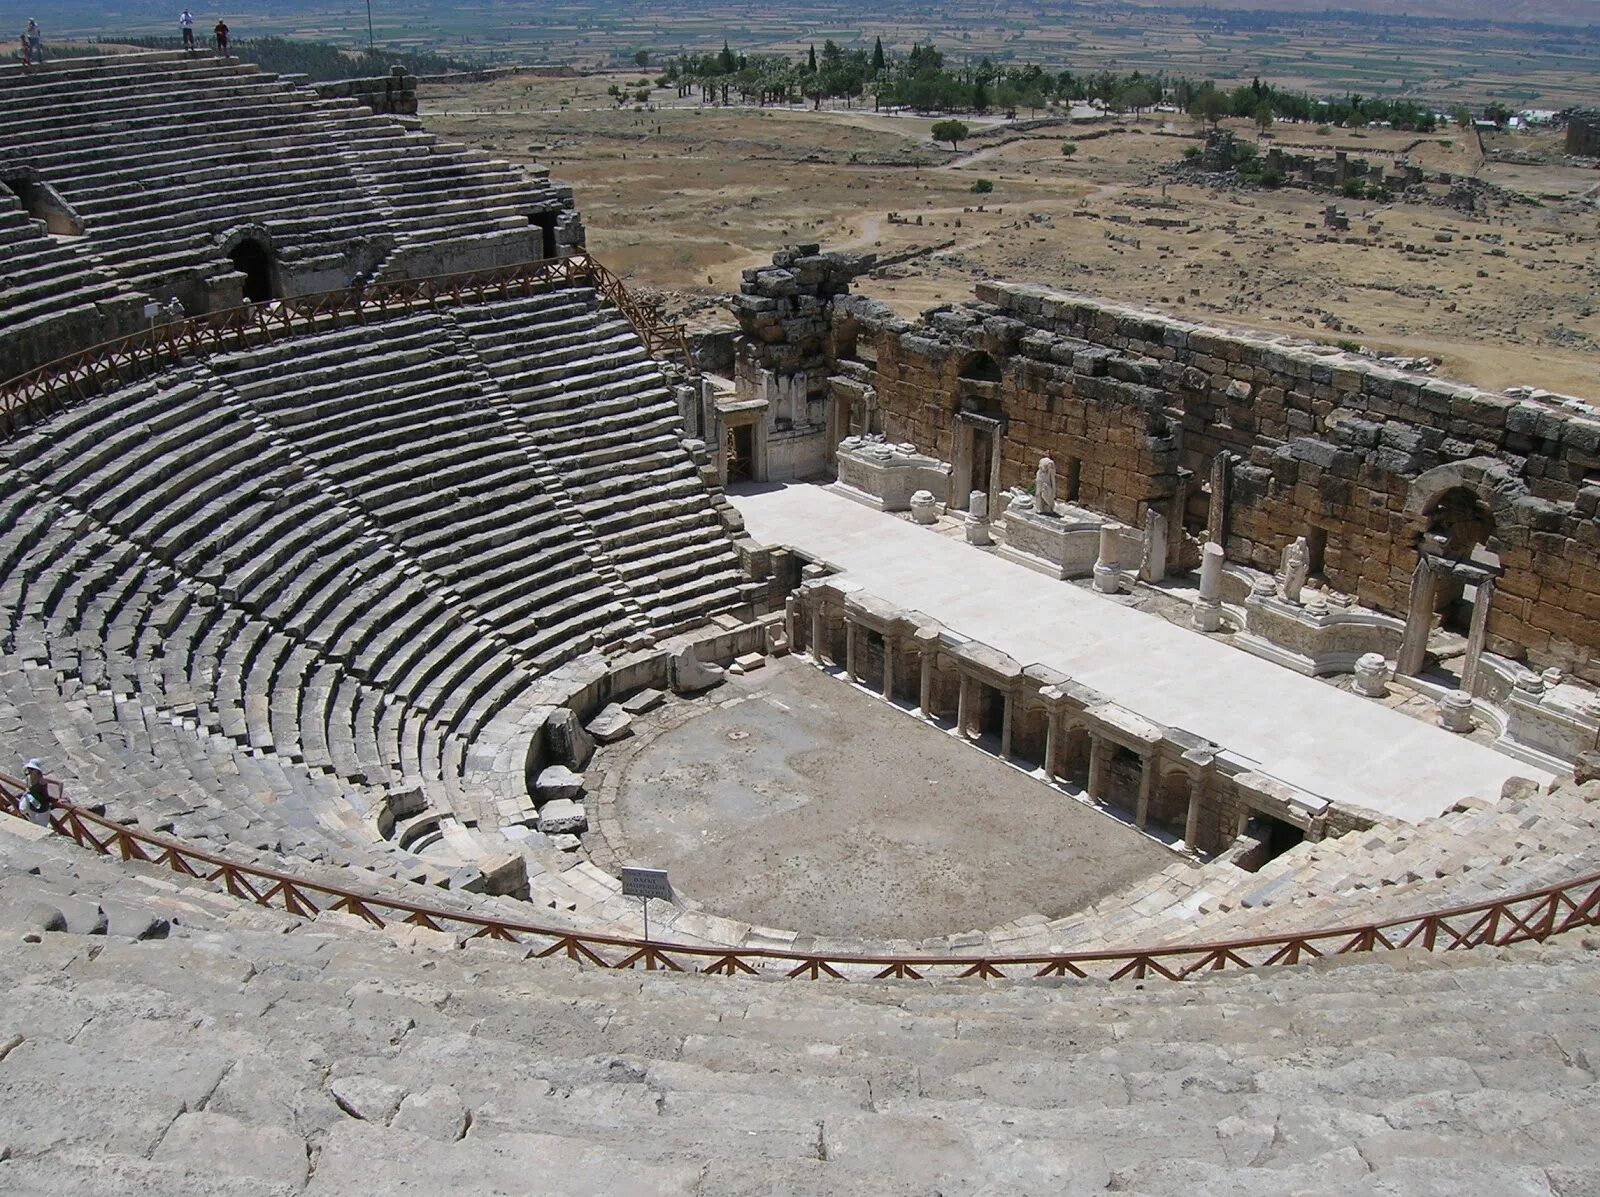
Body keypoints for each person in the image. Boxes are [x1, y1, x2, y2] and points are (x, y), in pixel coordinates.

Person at [19, 759, 52, 827]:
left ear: (37, 770)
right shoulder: (28, 777)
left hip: (43, 808)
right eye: (29, 768)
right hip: (32, 806)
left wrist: (59, 798)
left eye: (32, 768)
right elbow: (27, 787)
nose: (29, 770)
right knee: (33, 823)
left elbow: (60, 783)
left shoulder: (42, 780)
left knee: (42, 826)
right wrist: (27, 791)